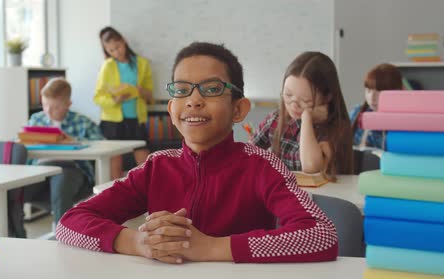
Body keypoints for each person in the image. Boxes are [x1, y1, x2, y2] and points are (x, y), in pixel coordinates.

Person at [56, 42, 338, 264]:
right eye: (181, 90)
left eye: (212, 89)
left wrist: (210, 247)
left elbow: (321, 235)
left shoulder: (261, 165)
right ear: (171, 110)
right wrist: (138, 243)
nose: (193, 100)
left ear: (238, 109)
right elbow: (68, 223)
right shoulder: (157, 167)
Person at [251, 52, 353, 181]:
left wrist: (307, 118)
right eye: (288, 95)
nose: (294, 105)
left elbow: (311, 167)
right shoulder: (275, 119)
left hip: (320, 198)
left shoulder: (336, 128)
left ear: (327, 96)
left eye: (305, 100)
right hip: (281, 195)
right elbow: (246, 155)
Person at [26, 77, 104, 226]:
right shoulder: (36, 119)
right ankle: (14, 234)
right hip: (40, 168)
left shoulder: (82, 122)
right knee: (14, 190)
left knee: (61, 184)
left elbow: (102, 143)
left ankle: (63, 231)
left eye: (55, 107)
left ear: (68, 104)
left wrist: (74, 140)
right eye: (45, 105)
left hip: (71, 168)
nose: (48, 111)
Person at [94, 26, 153, 179]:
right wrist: (115, 99)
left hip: (136, 119)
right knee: (115, 160)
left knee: (144, 160)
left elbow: (149, 96)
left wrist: (141, 91)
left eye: (118, 47)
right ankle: (116, 197)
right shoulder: (107, 65)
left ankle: (148, 194)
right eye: (111, 50)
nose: (116, 52)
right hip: (113, 121)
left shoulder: (142, 63)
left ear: (124, 41)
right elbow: (98, 97)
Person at [350, 63, 403, 149]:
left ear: (395, 91)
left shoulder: (403, 120)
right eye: (368, 90)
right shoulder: (357, 113)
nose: (372, 97)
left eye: (379, 91)